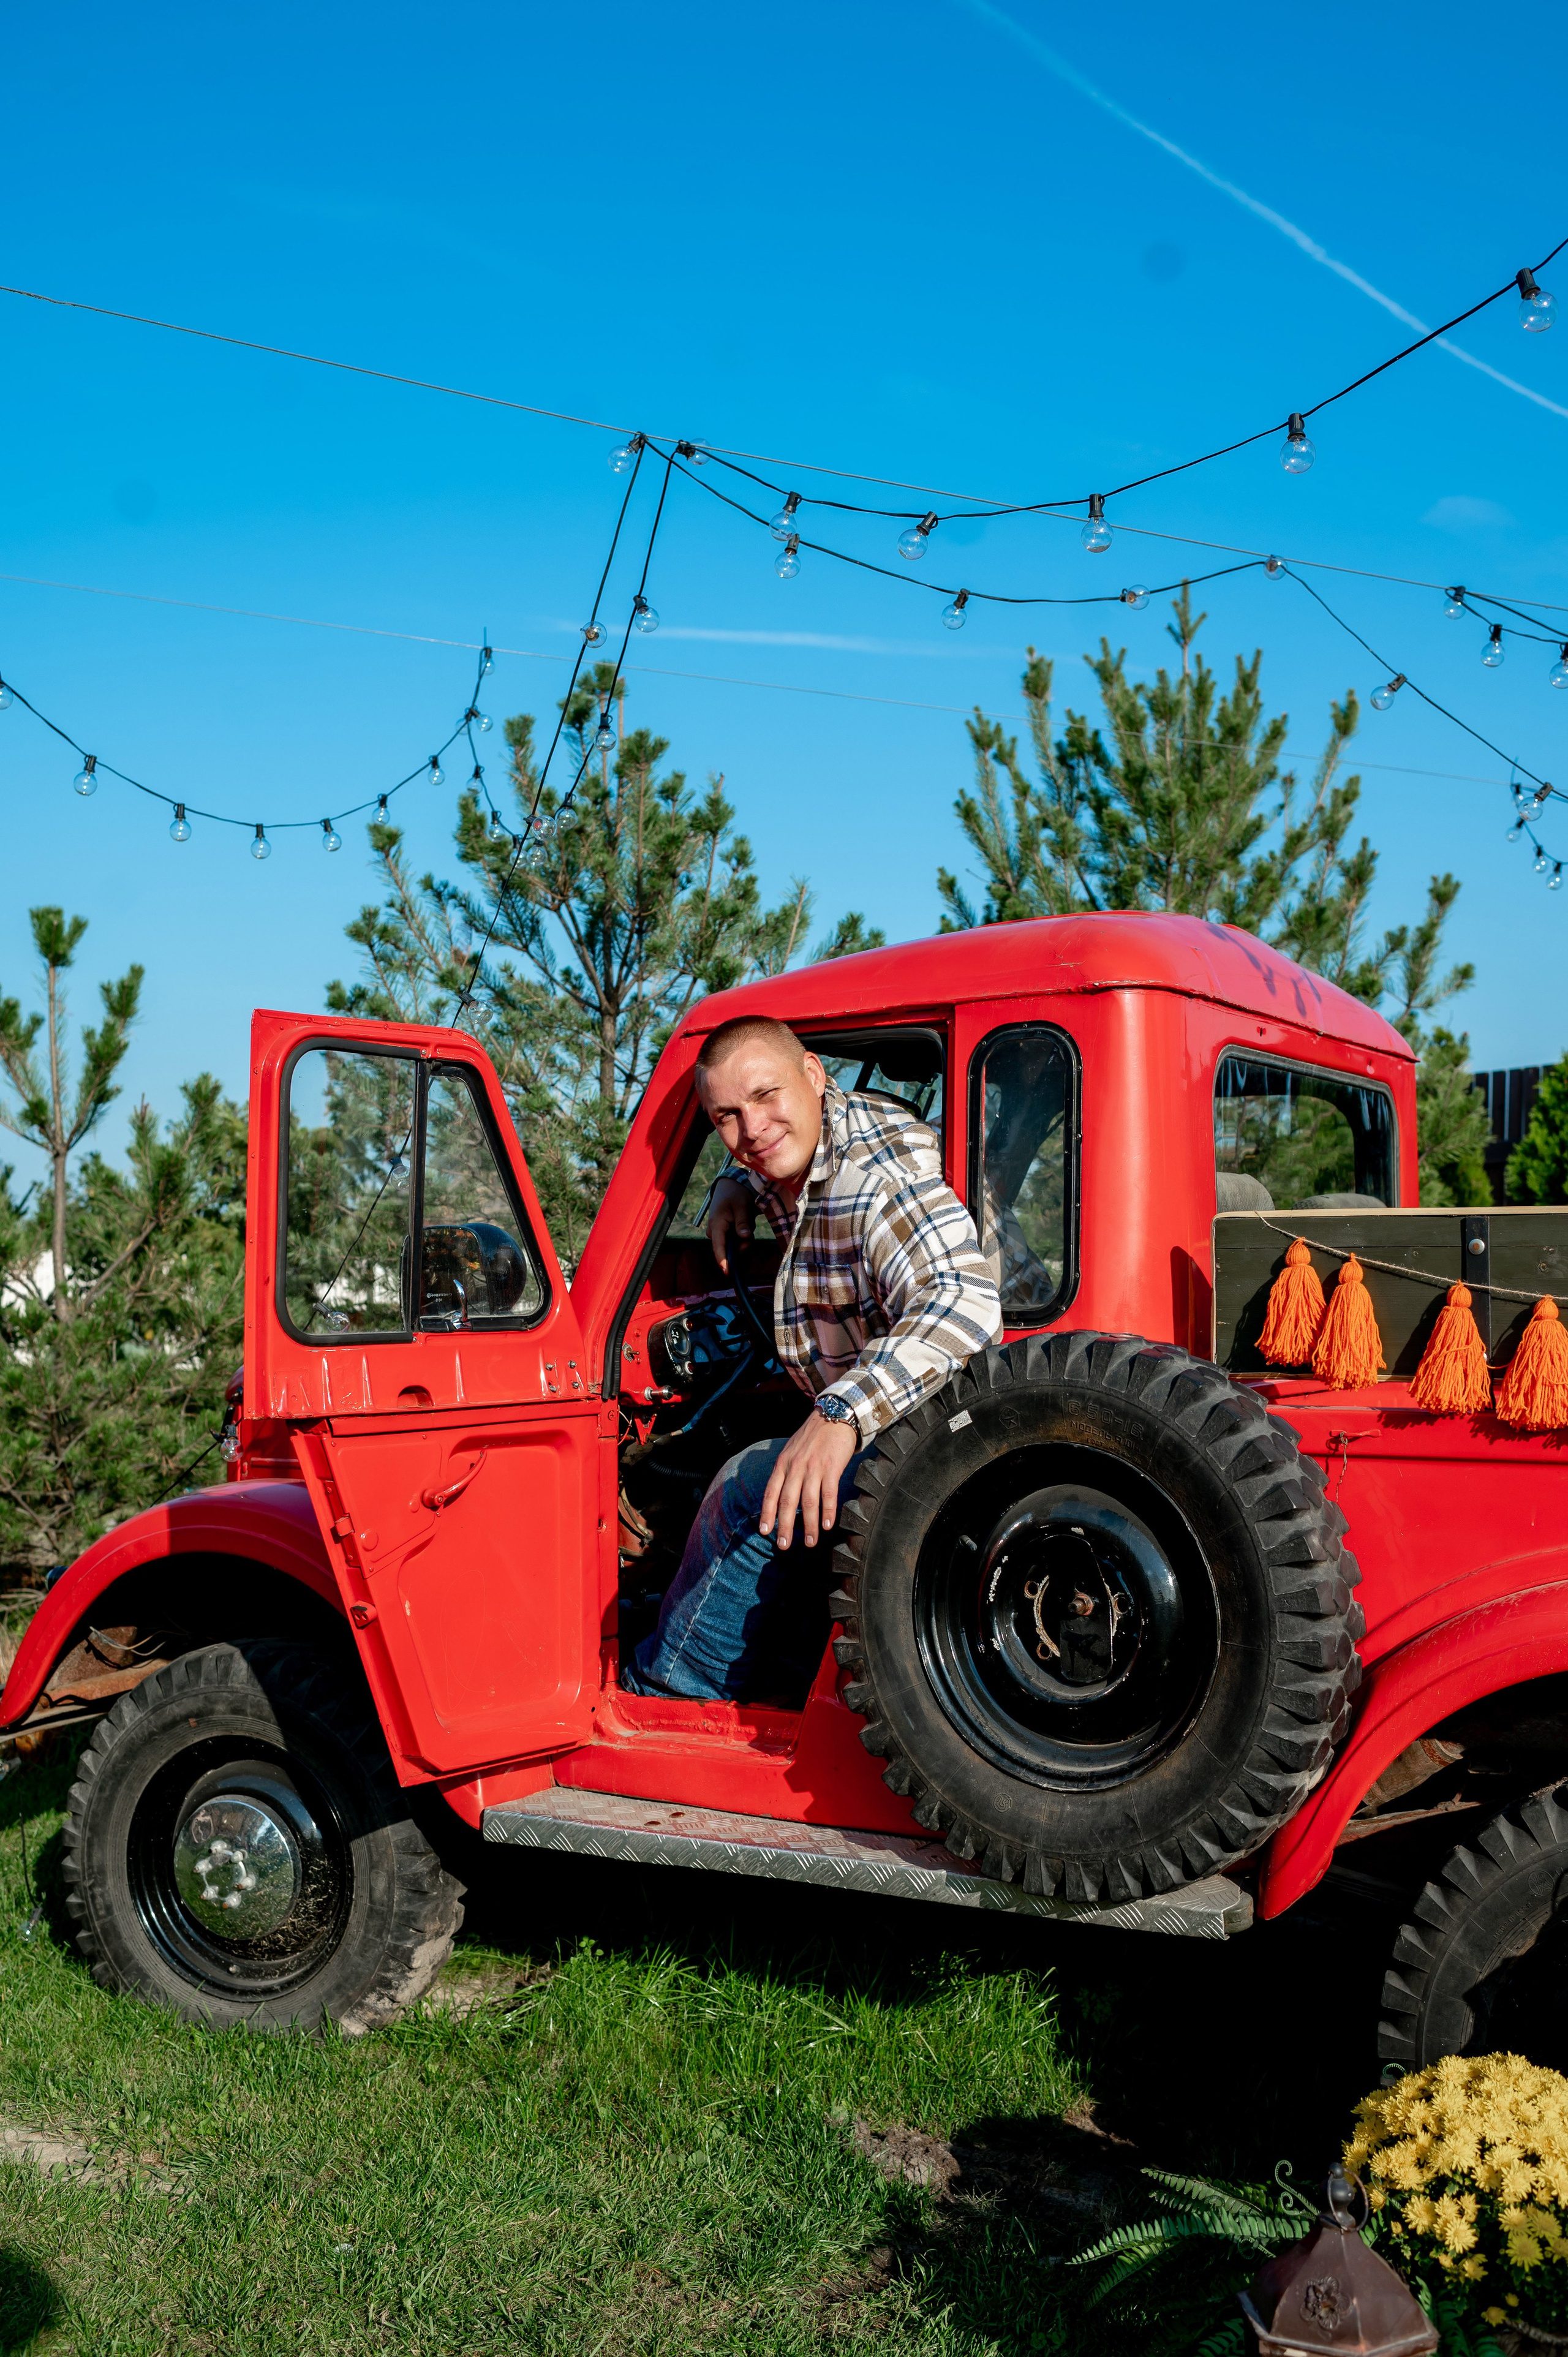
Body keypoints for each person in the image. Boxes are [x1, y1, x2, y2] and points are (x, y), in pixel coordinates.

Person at [620, 1015, 1003, 1705]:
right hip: (940, 1419)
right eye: (726, 1116)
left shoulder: (872, 1178)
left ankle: (667, 1691)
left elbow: (963, 1301)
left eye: (766, 1095)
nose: (752, 1127)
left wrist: (839, 1414)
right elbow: (764, 1151)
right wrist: (727, 1187)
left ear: (814, 1076)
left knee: (748, 1482)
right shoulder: (803, 1146)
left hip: (947, 1433)